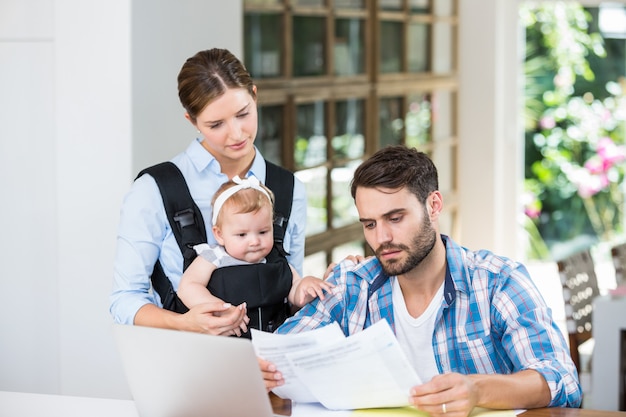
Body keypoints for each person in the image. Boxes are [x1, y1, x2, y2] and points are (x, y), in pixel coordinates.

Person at [259, 145, 582, 415]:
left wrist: (476, 389)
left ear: (434, 205)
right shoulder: (349, 286)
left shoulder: (498, 282)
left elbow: (561, 380)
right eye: (369, 224)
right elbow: (280, 357)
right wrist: (262, 372)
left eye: (395, 218)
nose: (382, 237)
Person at [110, 48, 307, 336]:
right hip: (190, 362)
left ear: (254, 95)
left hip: (274, 366)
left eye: (243, 114)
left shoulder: (289, 188)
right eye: (216, 124)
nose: (237, 134)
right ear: (191, 120)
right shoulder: (154, 190)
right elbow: (124, 299)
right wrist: (184, 322)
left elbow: (292, 291)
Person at [177, 175, 333, 329]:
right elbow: (188, 286)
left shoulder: (275, 259)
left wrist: (305, 287)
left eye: (263, 232)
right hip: (227, 339)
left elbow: (294, 290)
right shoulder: (214, 256)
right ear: (219, 234)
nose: (255, 241)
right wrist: (218, 308)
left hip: (274, 337)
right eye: (242, 235)